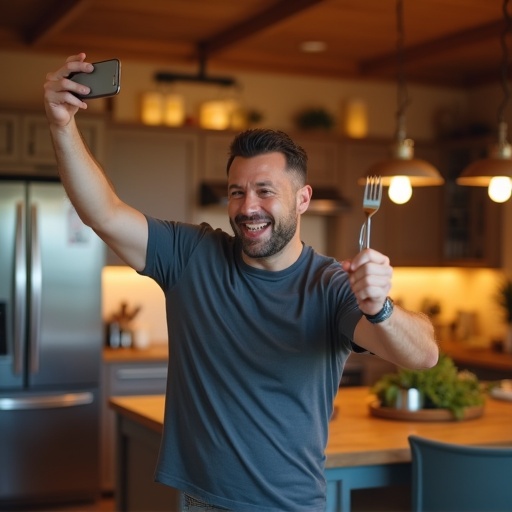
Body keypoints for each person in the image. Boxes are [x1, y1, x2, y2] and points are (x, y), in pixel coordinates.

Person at [44, 53, 439, 512]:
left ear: (303, 198)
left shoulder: (331, 285)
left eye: (265, 191)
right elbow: (104, 213)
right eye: (237, 191)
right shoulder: (191, 255)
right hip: (202, 502)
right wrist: (61, 126)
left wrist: (381, 308)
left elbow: (423, 354)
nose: (248, 206)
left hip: (289, 505)